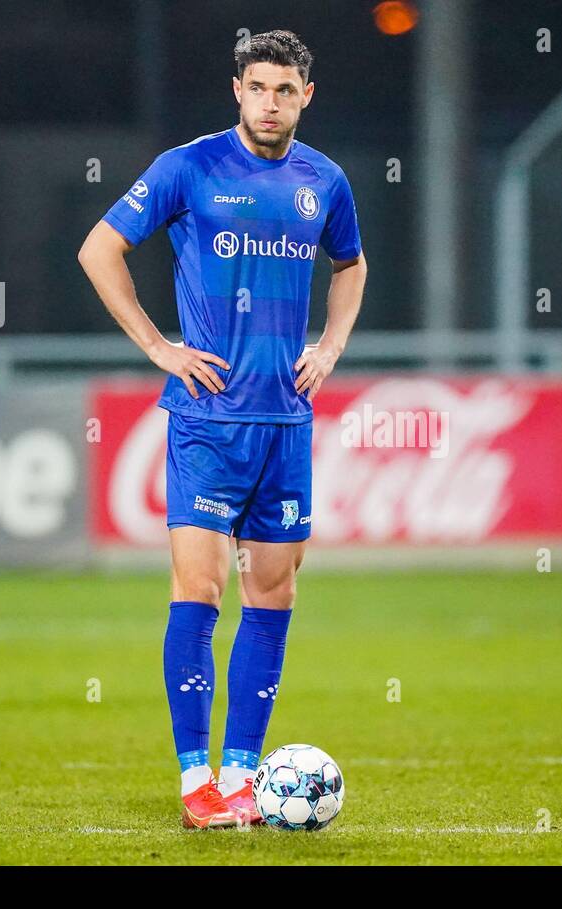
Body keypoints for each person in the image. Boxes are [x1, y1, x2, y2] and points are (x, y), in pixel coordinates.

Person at [78, 29, 367, 827]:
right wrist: (156, 347)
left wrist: (333, 344)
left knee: (272, 593)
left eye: (285, 90)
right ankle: (194, 783)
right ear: (236, 90)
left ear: (306, 95)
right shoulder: (189, 167)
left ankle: (241, 778)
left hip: (286, 422)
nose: (269, 102)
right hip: (206, 420)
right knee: (198, 591)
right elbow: (100, 249)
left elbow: (351, 264)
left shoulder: (325, 182)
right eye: (257, 87)